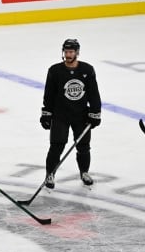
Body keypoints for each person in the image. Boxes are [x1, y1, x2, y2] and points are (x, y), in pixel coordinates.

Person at [40, 38, 101, 188]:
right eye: (66, 51)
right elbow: (49, 94)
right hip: (60, 115)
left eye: (71, 52)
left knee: (84, 146)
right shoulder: (55, 71)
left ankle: (84, 172)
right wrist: (46, 114)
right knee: (56, 146)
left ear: (77, 53)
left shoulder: (87, 70)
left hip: (81, 116)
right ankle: (50, 175)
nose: (68, 55)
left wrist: (95, 113)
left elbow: (94, 94)